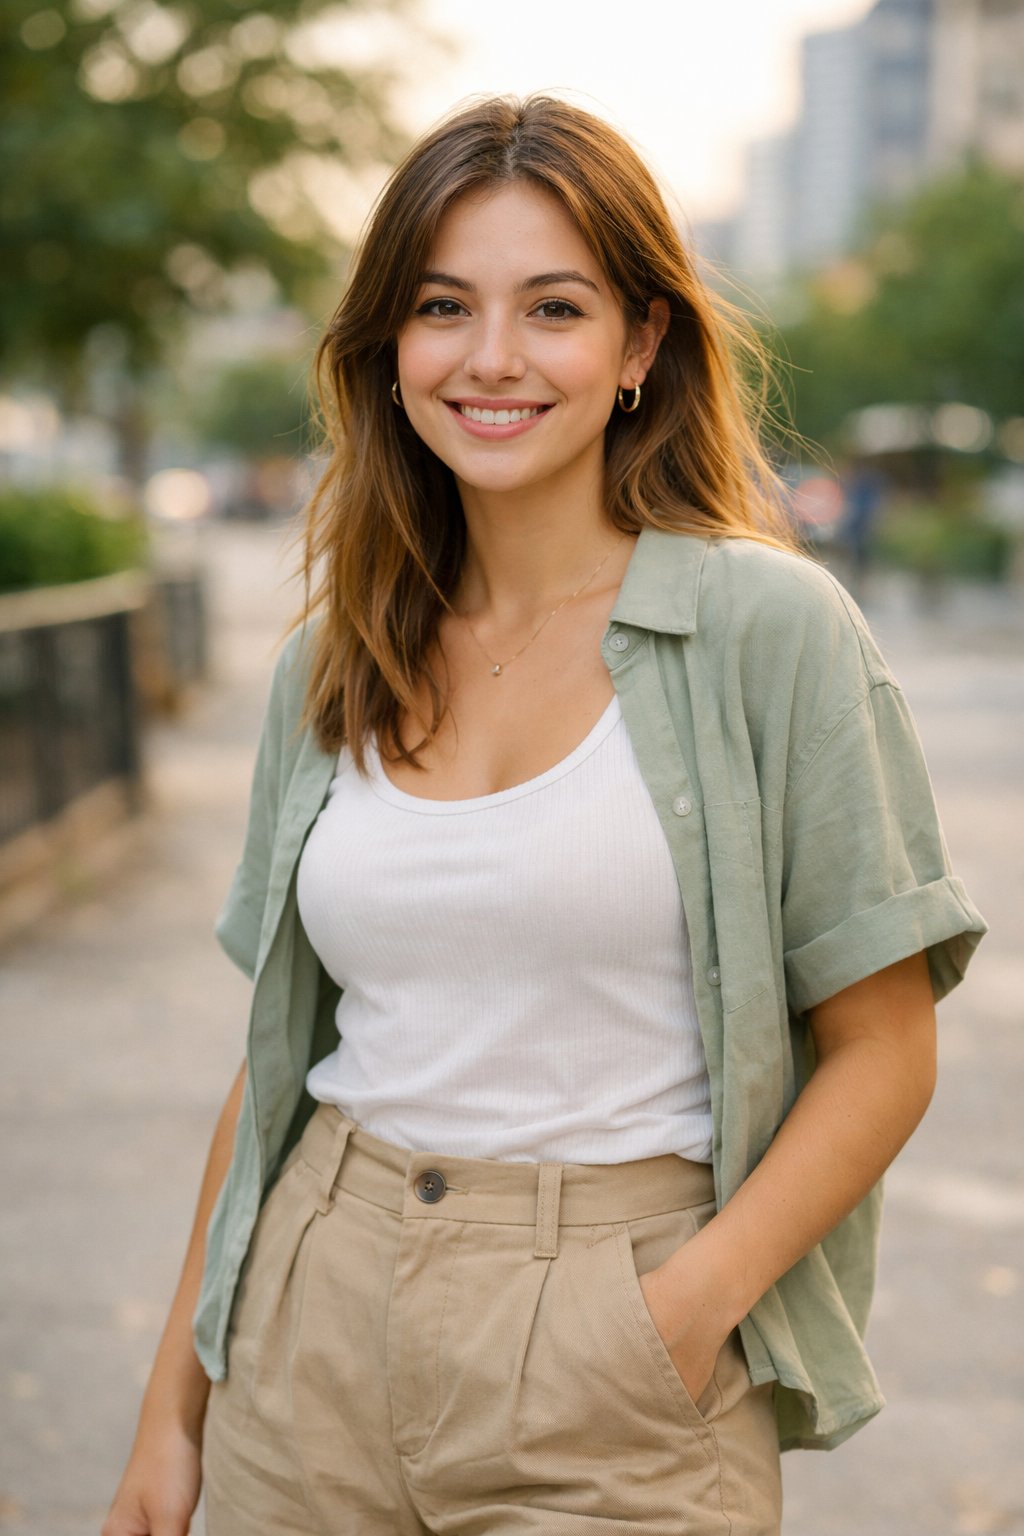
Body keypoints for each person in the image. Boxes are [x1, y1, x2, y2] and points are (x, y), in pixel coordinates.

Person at [103, 96, 986, 1536]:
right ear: (391, 351)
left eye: (554, 307)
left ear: (640, 347)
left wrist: (681, 1311)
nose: (493, 357)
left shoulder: (770, 631)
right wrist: (171, 1409)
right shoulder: (333, 662)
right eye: (444, 306)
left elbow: (885, 1049)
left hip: (614, 1340)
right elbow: (277, 1064)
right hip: (307, 1323)